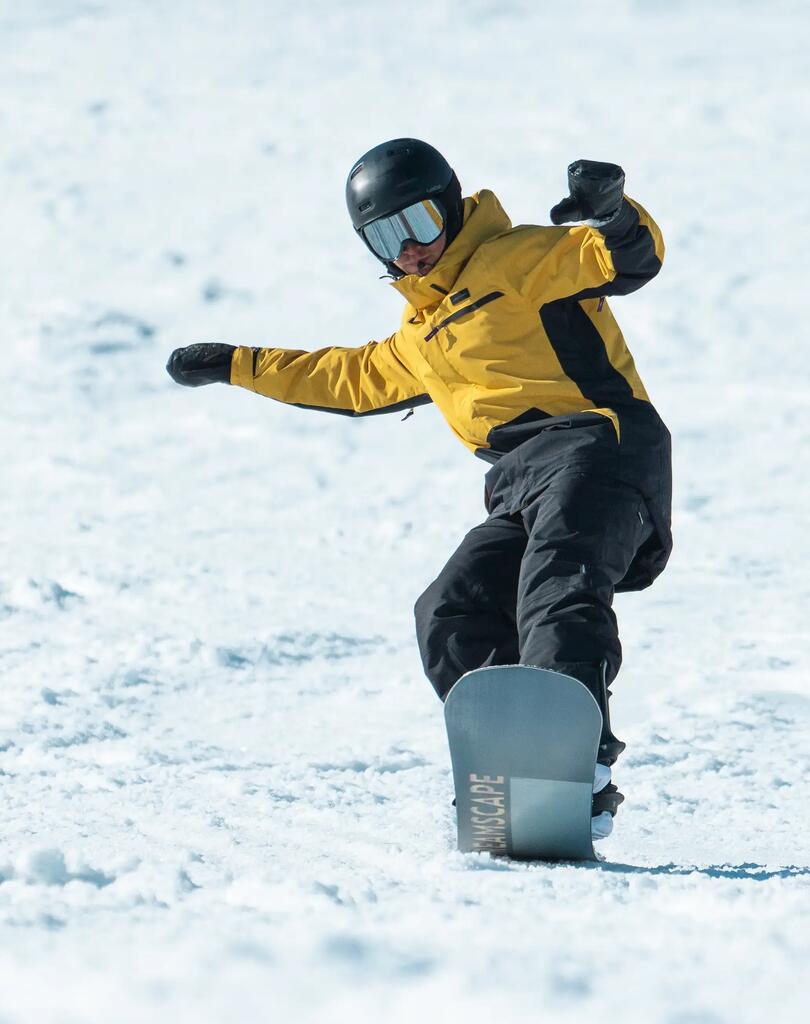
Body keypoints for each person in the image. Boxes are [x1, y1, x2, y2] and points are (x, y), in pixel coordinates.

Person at [166, 138, 672, 840]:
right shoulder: (422, 329)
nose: (407, 249)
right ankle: (515, 762)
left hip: (600, 446)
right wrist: (236, 364)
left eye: (419, 224)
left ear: (451, 205)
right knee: (451, 608)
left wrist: (611, 214)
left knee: (556, 588)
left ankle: (572, 769)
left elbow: (626, 259)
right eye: (385, 235)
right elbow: (346, 378)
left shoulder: (523, 258)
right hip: (518, 481)